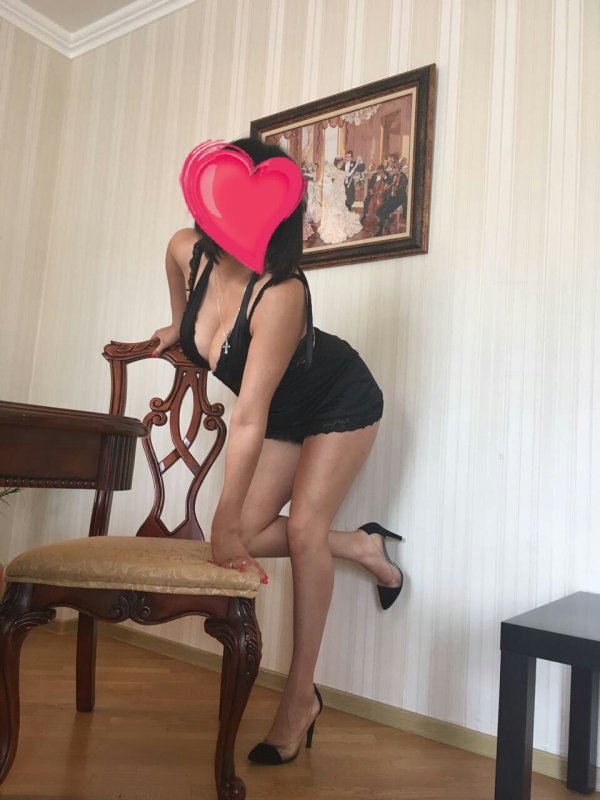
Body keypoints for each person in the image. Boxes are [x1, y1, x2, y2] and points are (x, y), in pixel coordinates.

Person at [150, 137, 404, 768]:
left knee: (298, 529)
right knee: (256, 531)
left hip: (338, 397)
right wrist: (177, 326)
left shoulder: (281, 291)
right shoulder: (186, 250)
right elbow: (181, 301)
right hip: (284, 412)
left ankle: (299, 699)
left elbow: (248, 415)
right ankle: (362, 546)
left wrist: (222, 523)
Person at [318, 160, 363, 244]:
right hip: (334, 192)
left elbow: (349, 174)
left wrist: (356, 165)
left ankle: (340, 226)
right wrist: (326, 166)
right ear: (337, 164)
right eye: (340, 164)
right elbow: (326, 177)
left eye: (341, 164)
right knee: (333, 209)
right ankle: (333, 227)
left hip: (340, 193)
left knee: (340, 209)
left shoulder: (342, 172)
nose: (341, 165)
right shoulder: (333, 172)